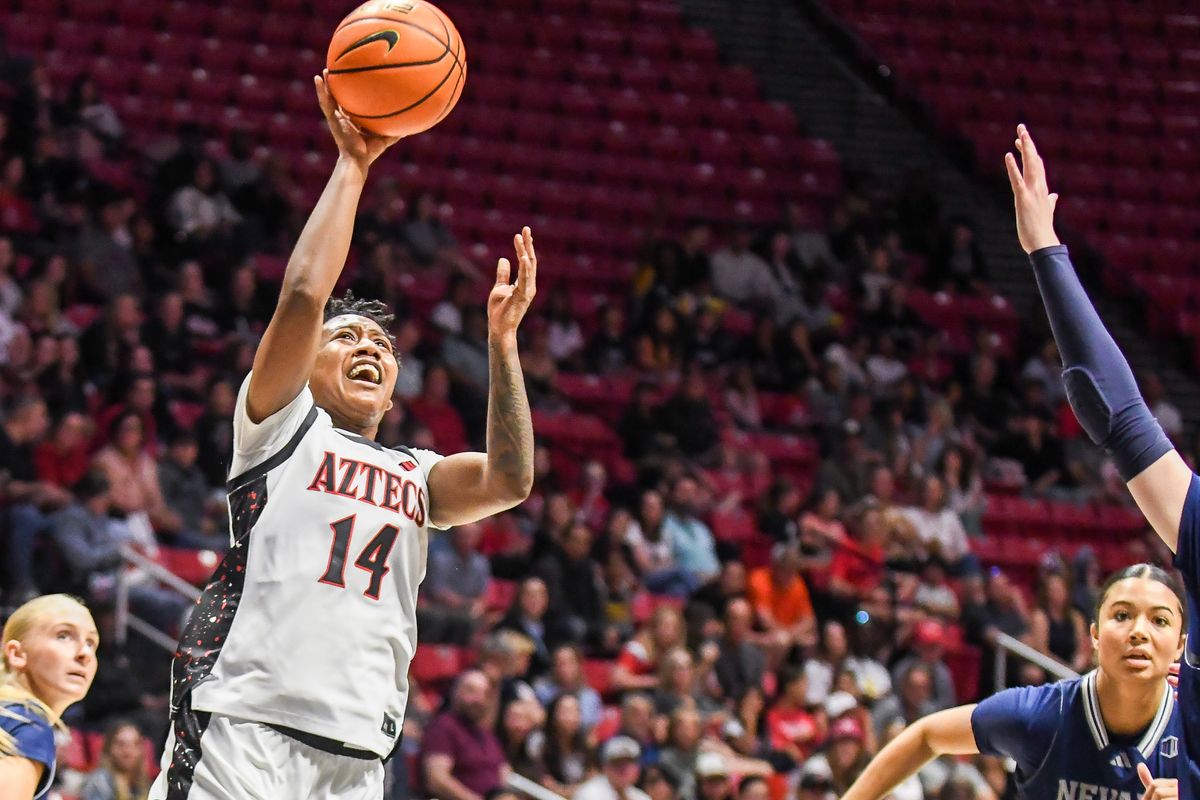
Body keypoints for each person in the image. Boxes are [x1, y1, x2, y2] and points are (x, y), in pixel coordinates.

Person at [148, 73, 537, 799]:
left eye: (384, 346)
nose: (370, 347)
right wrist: (353, 166)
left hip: (358, 752)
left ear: (395, 388)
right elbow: (302, 295)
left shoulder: (418, 473)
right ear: (308, 359)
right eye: (347, 336)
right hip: (243, 726)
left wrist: (503, 342)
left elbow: (510, 481)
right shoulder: (280, 431)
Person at [842, 564, 1190, 799]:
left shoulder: (1192, 732)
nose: (1138, 632)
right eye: (1122, 615)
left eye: (1159, 620)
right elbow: (927, 735)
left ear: (1180, 646)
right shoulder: (1041, 716)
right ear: (1095, 636)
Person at [0, 594, 100, 799]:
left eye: (91, 643)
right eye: (63, 635)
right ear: (17, 654)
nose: (85, 653)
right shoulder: (26, 726)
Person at [421, 670, 508, 800]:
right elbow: (437, 780)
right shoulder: (443, 727)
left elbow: (504, 774)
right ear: (455, 693)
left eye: (485, 693)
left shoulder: (486, 734)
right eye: (471, 691)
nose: (479, 699)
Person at [80, 719, 151, 800]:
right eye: (121, 744)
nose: (128, 751)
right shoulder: (99, 783)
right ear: (108, 748)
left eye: (135, 744)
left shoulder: (145, 785)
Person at [574, 736, 651, 800]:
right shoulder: (589, 793)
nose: (623, 769)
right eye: (617, 764)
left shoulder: (641, 797)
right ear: (605, 767)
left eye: (628, 764)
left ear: (637, 768)